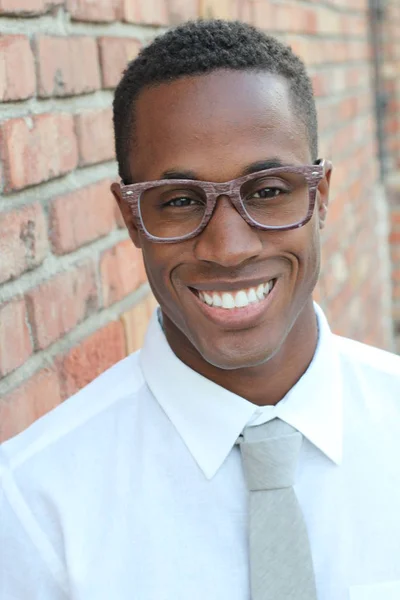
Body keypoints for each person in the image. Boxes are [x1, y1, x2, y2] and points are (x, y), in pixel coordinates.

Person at [1, 19, 399, 600]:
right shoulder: (34, 505)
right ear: (132, 217)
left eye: (267, 191)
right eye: (180, 202)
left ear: (321, 197)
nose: (229, 248)